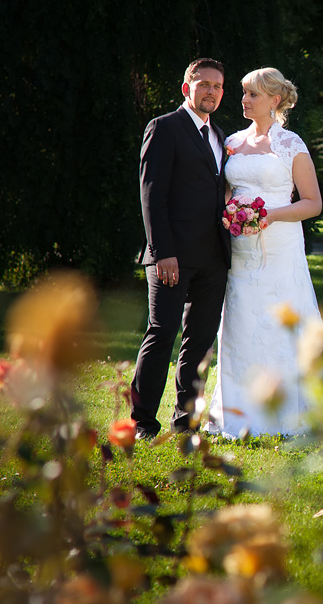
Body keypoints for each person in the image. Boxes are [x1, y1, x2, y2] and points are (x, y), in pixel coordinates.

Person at [204, 67, 323, 439]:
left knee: (278, 325)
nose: (244, 100)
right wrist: (229, 214)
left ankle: (286, 412)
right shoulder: (233, 143)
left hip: (281, 247)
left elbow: (312, 203)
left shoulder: (291, 145)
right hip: (240, 249)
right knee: (240, 322)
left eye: (252, 94)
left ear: (274, 100)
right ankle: (238, 411)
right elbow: (224, 193)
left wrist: (269, 215)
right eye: (242, 93)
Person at [131, 58, 231, 440]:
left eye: (217, 86)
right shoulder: (164, 128)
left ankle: (186, 420)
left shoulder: (220, 135)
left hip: (213, 257)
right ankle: (142, 422)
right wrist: (162, 252)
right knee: (162, 332)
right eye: (203, 83)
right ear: (186, 87)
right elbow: (151, 195)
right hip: (171, 256)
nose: (210, 91)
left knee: (200, 340)